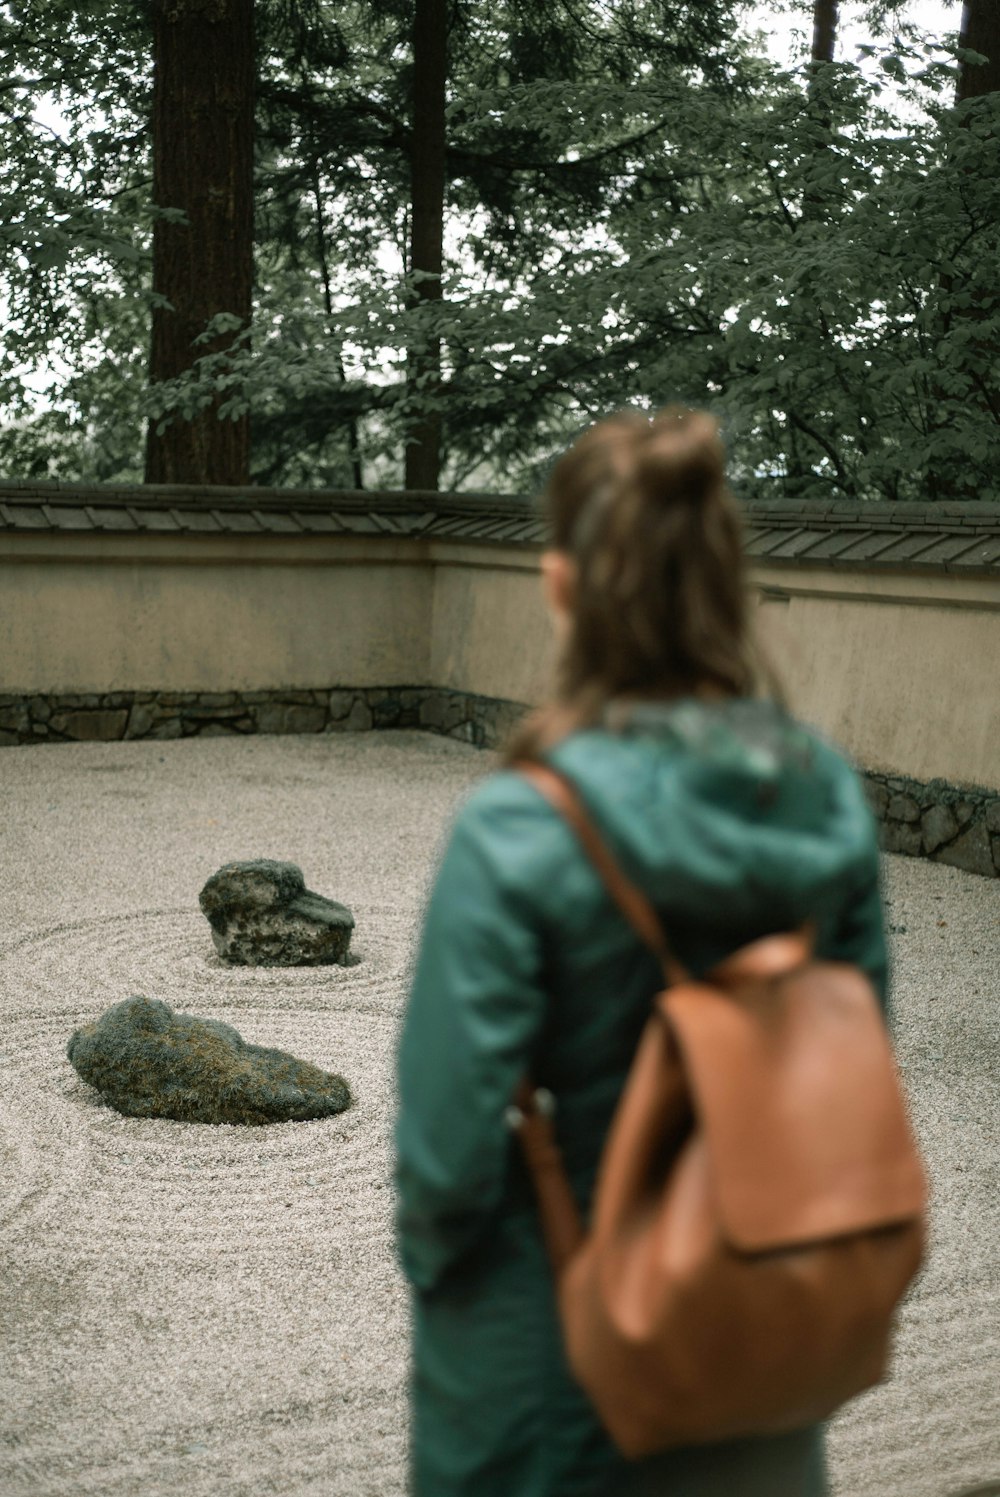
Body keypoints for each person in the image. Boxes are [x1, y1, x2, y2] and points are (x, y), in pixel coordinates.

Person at [394, 406, 887, 1497]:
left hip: (552, 1368)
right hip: (758, 1341)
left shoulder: (521, 828)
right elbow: (852, 1067)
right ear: (725, 582)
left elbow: (445, 1156)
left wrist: (455, 1295)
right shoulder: (820, 798)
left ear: (560, 584)